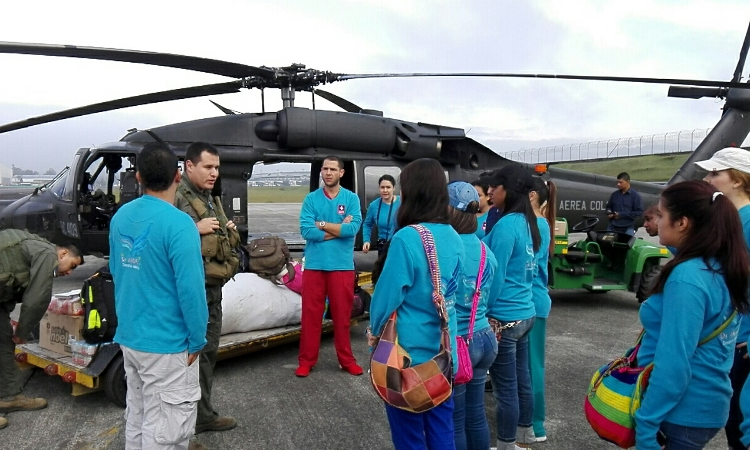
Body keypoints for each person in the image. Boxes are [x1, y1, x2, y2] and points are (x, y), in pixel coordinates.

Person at [635, 180, 749, 450]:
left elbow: (674, 362)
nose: (656, 222)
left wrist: (646, 423)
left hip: (681, 411)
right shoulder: (721, 265)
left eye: (661, 215)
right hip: (706, 404)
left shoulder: (687, 278)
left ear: (682, 223)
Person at [110, 142, 208, 450]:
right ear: (178, 176)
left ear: (137, 177)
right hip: (167, 344)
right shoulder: (180, 225)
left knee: (138, 417)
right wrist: (197, 338)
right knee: (167, 431)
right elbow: (191, 291)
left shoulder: (121, 218)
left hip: (130, 338)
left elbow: (118, 272)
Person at [367, 158, 463, 450]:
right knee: (442, 431)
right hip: (444, 355)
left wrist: (374, 332)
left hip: (407, 360)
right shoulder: (455, 236)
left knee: (409, 436)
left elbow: (385, 298)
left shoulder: (407, 238)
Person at [174, 142, 240, 436]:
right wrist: (193, 227)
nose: (214, 173)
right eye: (208, 167)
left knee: (207, 355)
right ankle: (186, 425)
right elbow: (166, 238)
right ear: (189, 166)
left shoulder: (208, 198)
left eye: (217, 167)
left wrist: (229, 229)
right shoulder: (177, 197)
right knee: (187, 360)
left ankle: (201, 415)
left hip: (212, 290)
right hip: (191, 294)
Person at [695, 147, 750, 450]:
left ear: (738, 180)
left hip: (744, 337)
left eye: (715, 173)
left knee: (739, 418)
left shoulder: (749, 220)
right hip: (732, 333)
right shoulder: (731, 220)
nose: (707, 178)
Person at [482, 164, 541, 450]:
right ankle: (524, 433)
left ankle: (506, 444)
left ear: (509, 190)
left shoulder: (505, 226)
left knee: (506, 388)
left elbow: (495, 274)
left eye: (496, 186)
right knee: (522, 380)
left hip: (505, 316)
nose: (490, 191)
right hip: (525, 313)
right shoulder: (525, 222)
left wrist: (485, 311)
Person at [0, 231, 82, 429]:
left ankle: (7, 396)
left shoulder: (34, 245)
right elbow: (38, 297)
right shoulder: (47, 253)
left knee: (2, 339)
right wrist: (22, 332)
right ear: (62, 254)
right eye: (72, 265)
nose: (70, 272)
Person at [297, 155, 363, 377]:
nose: (328, 173)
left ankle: (346, 360)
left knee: (342, 317)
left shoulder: (351, 199)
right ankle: (306, 361)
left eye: (333, 169)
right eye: (325, 169)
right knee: (310, 315)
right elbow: (307, 231)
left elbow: (351, 230)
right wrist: (336, 231)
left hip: (342, 267)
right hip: (315, 265)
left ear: (341, 173)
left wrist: (323, 225)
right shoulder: (311, 199)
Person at [447, 181, 500, 450]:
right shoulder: (485, 251)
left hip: (458, 343)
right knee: (476, 413)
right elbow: (493, 293)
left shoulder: (447, 249)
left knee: (455, 419)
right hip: (484, 338)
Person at [527, 177, 556, 443]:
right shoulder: (539, 223)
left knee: (532, 365)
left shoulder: (536, 223)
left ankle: (536, 425)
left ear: (532, 195)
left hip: (533, 302)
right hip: (536, 300)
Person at [362, 174, 400, 253]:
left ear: (394, 188)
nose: (385, 190)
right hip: (383, 245)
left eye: (388, 187)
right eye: (382, 187)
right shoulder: (374, 206)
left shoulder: (402, 203)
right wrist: (366, 240)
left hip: (399, 244)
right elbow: (367, 224)